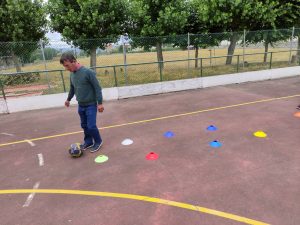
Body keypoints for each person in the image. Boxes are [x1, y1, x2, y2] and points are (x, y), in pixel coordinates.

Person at [60, 52, 104, 153]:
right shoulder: (72, 74)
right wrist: (68, 99)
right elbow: (72, 88)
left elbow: (97, 88)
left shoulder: (88, 72)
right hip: (81, 105)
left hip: (91, 105)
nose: (66, 68)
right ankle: (88, 141)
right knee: (84, 125)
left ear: (74, 61)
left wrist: (100, 103)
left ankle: (98, 141)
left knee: (91, 126)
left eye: (67, 65)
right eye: (64, 66)